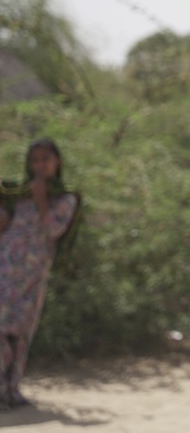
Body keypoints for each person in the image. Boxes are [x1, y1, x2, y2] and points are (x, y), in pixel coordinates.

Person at [0, 139, 80, 411]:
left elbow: (53, 231)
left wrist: (42, 198)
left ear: (57, 162)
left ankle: (11, 389)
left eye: (45, 160)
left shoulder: (66, 198)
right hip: (5, 267)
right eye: (34, 160)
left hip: (33, 273)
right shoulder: (17, 194)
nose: (39, 166)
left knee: (20, 331)